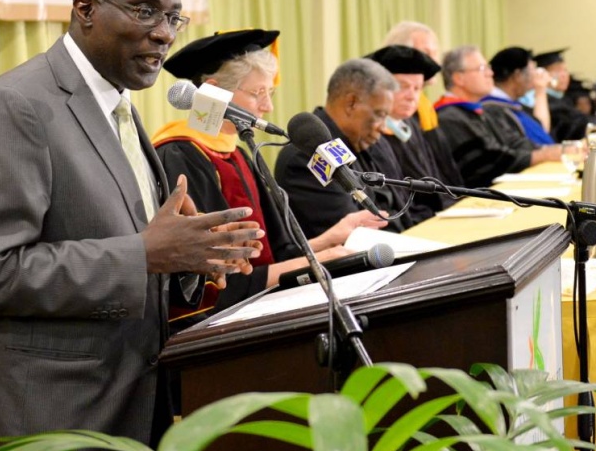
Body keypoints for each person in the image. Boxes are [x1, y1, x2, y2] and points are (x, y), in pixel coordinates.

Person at [0, 0, 265, 451]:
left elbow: (130, 245)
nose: (164, 33)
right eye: (144, 10)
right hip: (44, 437)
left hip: (128, 425)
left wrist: (189, 258)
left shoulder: (120, 106)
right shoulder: (17, 107)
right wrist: (142, 254)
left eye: (172, 17)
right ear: (85, 9)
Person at [154, 29, 383, 324]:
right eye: (257, 93)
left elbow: (273, 254)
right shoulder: (181, 155)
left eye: (269, 93)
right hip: (218, 322)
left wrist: (330, 238)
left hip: (264, 304)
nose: (268, 107)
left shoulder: (240, 154)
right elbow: (218, 278)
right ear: (213, 91)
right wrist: (319, 261)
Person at [275, 59, 414, 238]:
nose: (382, 126)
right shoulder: (306, 155)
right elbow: (357, 236)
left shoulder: (370, 142)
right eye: (379, 114)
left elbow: (400, 208)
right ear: (351, 103)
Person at [435, 46, 562, 188]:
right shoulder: (449, 118)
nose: (490, 73)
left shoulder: (482, 111)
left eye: (488, 68)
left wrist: (553, 150)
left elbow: (515, 142)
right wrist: (542, 156)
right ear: (459, 78)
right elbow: (486, 163)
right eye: (482, 69)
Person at [367, 44, 457, 221]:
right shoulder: (370, 135)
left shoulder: (410, 126)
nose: (412, 96)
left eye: (417, 88)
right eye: (402, 87)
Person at [485, 46, 556, 144]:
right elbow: (538, 139)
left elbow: (540, 129)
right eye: (532, 71)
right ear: (517, 76)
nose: (534, 77)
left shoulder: (510, 104)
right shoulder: (494, 109)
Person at [536, 48, 594, 140]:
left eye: (565, 70)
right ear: (543, 74)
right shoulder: (543, 101)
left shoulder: (564, 97)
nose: (564, 75)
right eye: (557, 71)